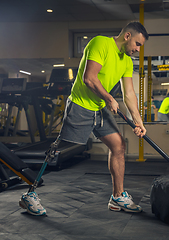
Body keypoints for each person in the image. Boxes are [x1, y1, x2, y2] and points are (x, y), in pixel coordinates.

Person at [19, 21, 149, 215]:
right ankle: (30, 194)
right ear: (128, 36)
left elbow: (130, 93)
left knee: (118, 145)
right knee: (60, 148)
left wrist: (138, 121)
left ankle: (117, 197)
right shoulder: (100, 44)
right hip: (80, 105)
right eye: (138, 44)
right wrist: (109, 98)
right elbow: (89, 78)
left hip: (99, 108)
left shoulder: (126, 62)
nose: (138, 50)